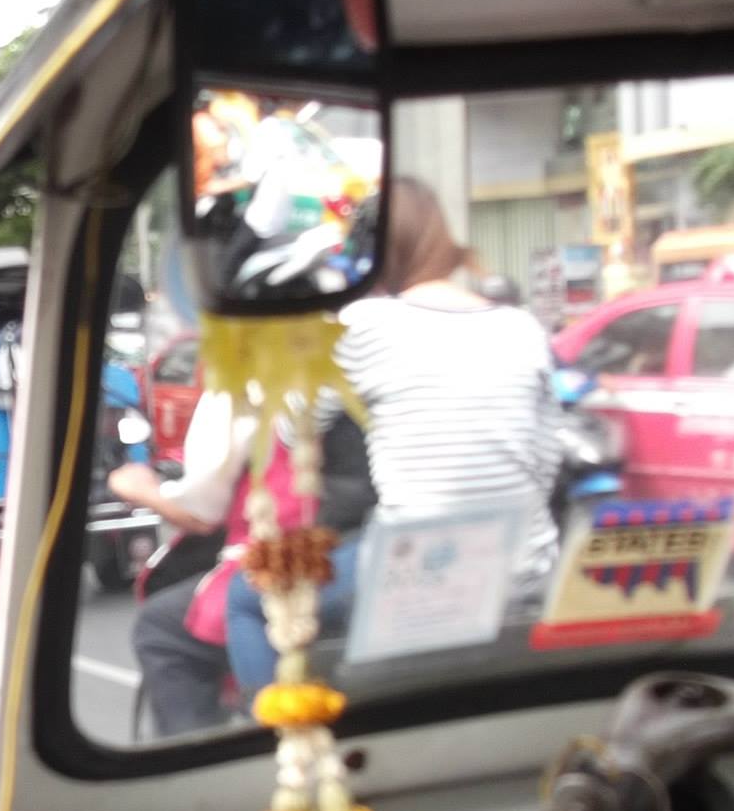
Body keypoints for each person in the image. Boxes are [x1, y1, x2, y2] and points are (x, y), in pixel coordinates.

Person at [222, 176, 563, 695]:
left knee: (245, 601)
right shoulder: (523, 327)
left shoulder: (363, 323)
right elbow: (545, 462)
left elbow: (292, 428)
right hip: (528, 570)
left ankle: (274, 733)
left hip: (417, 577)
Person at [118, 398, 374, 735]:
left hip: (301, 558)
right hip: (377, 545)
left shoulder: (246, 391)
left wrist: (142, 489)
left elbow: (200, 513)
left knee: (161, 628)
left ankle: (227, 747)